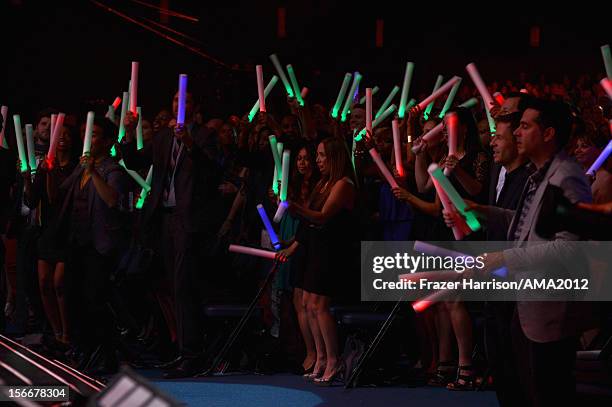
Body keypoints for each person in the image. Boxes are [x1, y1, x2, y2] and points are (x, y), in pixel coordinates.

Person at [448, 99, 593, 405]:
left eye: (525, 127)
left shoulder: (566, 175)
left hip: (549, 311)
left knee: (547, 394)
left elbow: (568, 246)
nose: (517, 134)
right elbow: (532, 225)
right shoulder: (541, 173)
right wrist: (486, 212)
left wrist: (503, 258)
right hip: (528, 307)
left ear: (549, 133)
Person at [121, 89, 221, 378]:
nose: (180, 104)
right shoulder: (163, 136)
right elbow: (134, 161)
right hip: (163, 218)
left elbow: (214, 171)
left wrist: (189, 144)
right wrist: (129, 131)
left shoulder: (205, 135)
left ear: (195, 106)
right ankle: (182, 349)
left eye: (186, 100)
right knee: (170, 285)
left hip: (188, 220)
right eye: (176, 100)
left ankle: (192, 354)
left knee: (183, 285)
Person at [277, 137, 357, 385]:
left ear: (334, 157)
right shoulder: (323, 183)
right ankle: (320, 356)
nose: (318, 160)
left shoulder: (344, 184)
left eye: (322, 156)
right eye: (318, 155)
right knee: (309, 303)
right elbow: (308, 224)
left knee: (320, 306)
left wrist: (296, 208)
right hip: (316, 249)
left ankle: (333, 359)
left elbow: (322, 217)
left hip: (333, 250)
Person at [58, 117, 129, 371]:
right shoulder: (81, 167)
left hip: (99, 246)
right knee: (74, 297)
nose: (90, 138)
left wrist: (92, 172)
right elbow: (62, 191)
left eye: (95, 134)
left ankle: (108, 354)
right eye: (87, 133)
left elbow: (112, 200)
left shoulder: (113, 170)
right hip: (77, 243)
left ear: (107, 141)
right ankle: (84, 350)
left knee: (95, 300)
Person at [24, 124, 77, 347]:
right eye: (59, 134)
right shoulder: (45, 167)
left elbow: (58, 197)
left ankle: (67, 334)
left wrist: (52, 172)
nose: (62, 137)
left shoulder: (75, 167)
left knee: (59, 283)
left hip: (66, 231)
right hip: (46, 232)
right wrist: (28, 178)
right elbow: (31, 200)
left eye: (66, 134)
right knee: (44, 282)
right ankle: (56, 333)